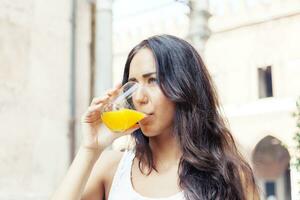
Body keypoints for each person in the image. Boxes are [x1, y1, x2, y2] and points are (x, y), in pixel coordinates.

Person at [51, 35, 260, 200]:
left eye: (153, 80)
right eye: (133, 84)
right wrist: (90, 148)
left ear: (184, 87)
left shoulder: (229, 174)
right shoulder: (111, 168)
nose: (139, 97)